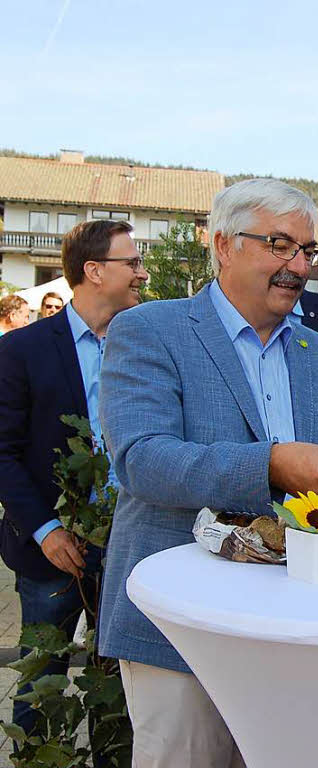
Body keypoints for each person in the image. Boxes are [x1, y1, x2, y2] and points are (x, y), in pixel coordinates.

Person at [97, 178, 318, 768]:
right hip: (186, 624)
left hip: (299, 620)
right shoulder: (150, 330)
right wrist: (272, 466)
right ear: (224, 245)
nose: (297, 267)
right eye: (279, 245)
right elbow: (141, 459)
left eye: (307, 252)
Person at [0, 219, 148, 744]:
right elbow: (3, 453)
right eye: (131, 263)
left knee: (120, 694)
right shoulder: (23, 351)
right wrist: (45, 529)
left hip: (129, 545)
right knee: (41, 687)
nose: (141, 273)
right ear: (93, 271)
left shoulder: (146, 347)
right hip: (51, 555)